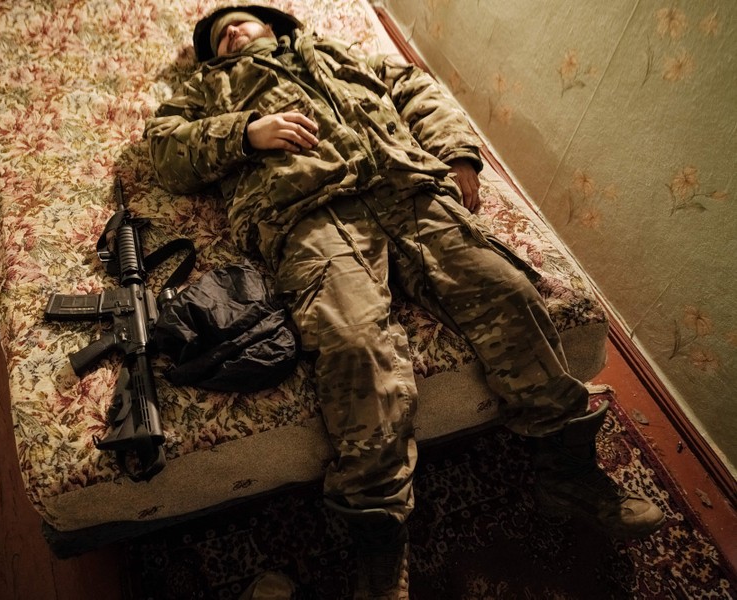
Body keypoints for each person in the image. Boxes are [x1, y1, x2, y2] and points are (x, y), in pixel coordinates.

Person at [145, 5, 665, 598]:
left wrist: (460, 154)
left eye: (241, 20)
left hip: (409, 189)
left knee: (509, 291)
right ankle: (378, 541)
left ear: (277, 26)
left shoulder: (342, 55)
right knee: (354, 344)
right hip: (311, 216)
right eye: (219, 34)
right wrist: (245, 131)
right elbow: (165, 151)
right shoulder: (209, 89)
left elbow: (419, 90)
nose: (231, 29)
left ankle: (568, 473)